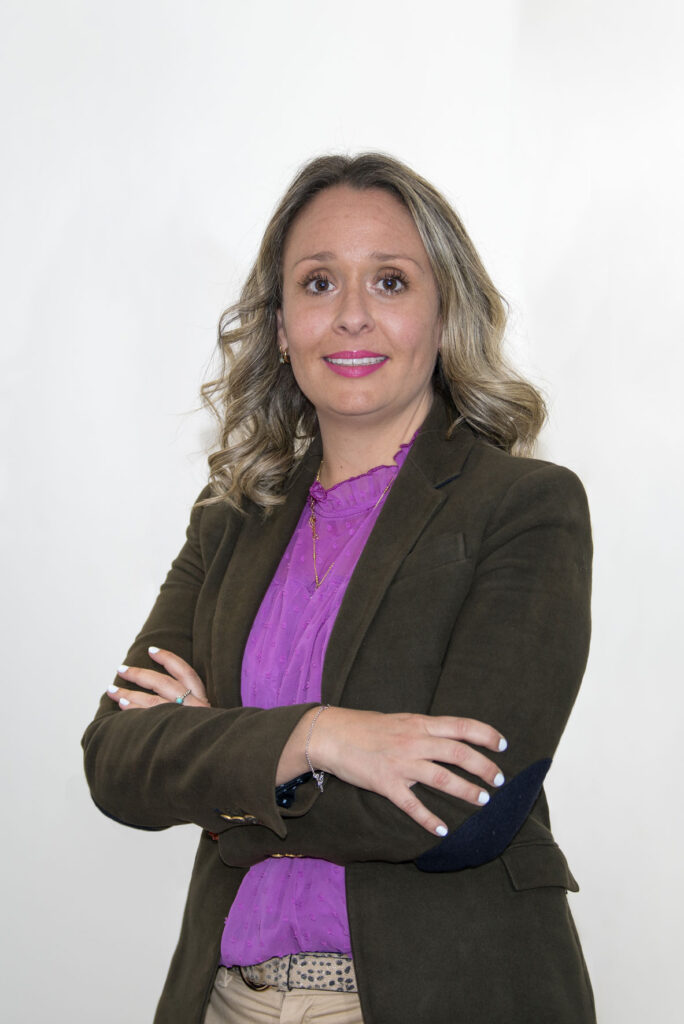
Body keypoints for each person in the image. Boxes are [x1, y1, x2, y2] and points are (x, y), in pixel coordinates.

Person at [82, 153, 595, 1024]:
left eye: (390, 281)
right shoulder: (230, 518)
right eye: (318, 283)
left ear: (444, 313)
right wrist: (320, 736)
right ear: (281, 325)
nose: (352, 316)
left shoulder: (524, 509)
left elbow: (459, 811)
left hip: (435, 997)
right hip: (225, 1000)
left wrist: (226, 773)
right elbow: (117, 760)